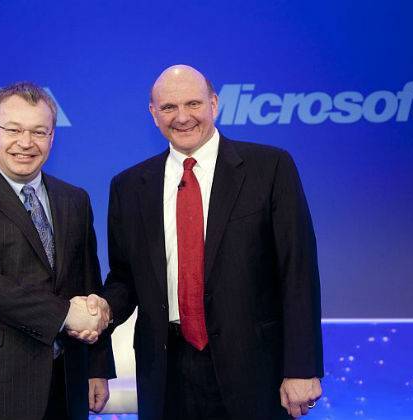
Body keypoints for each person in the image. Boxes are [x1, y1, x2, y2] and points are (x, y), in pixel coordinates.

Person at [77, 65, 324, 419]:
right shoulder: (129, 186)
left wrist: (301, 367)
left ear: (214, 104)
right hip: (166, 373)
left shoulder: (270, 168)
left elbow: (297, 271)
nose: (182, 117)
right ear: (153, 114)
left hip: (255, 369)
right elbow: (125, 279)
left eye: (193, 104)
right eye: (169, 107)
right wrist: (101, 311)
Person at [0, 81, 115, 419]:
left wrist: (97, 367)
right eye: (13, 130)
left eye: (38, 132)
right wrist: (64, 314)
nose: (26, 143)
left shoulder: (74, 199)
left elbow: (88, 282)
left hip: (65, 382)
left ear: (52, 137)